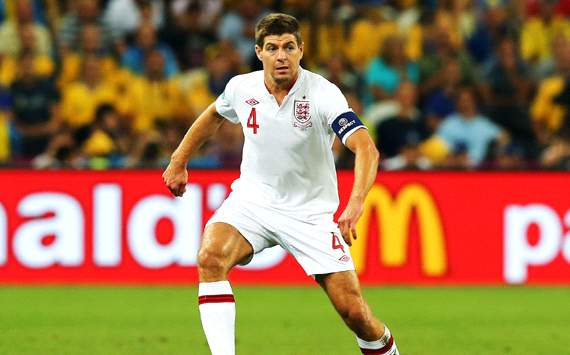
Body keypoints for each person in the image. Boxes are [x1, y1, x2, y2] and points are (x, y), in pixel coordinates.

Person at [162, 13, 399, 355]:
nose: (281, 56)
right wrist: (178, 160)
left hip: (311, 214)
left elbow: (366, 148)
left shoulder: (322, 93)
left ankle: (388, 351)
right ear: (259, 52)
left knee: (354, 313)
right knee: (210, 258)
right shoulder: (241, 88)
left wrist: (356, 201)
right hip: (253, 202)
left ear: (301, 50)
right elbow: (214, 113)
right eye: (272, 48)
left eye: (289, 47)